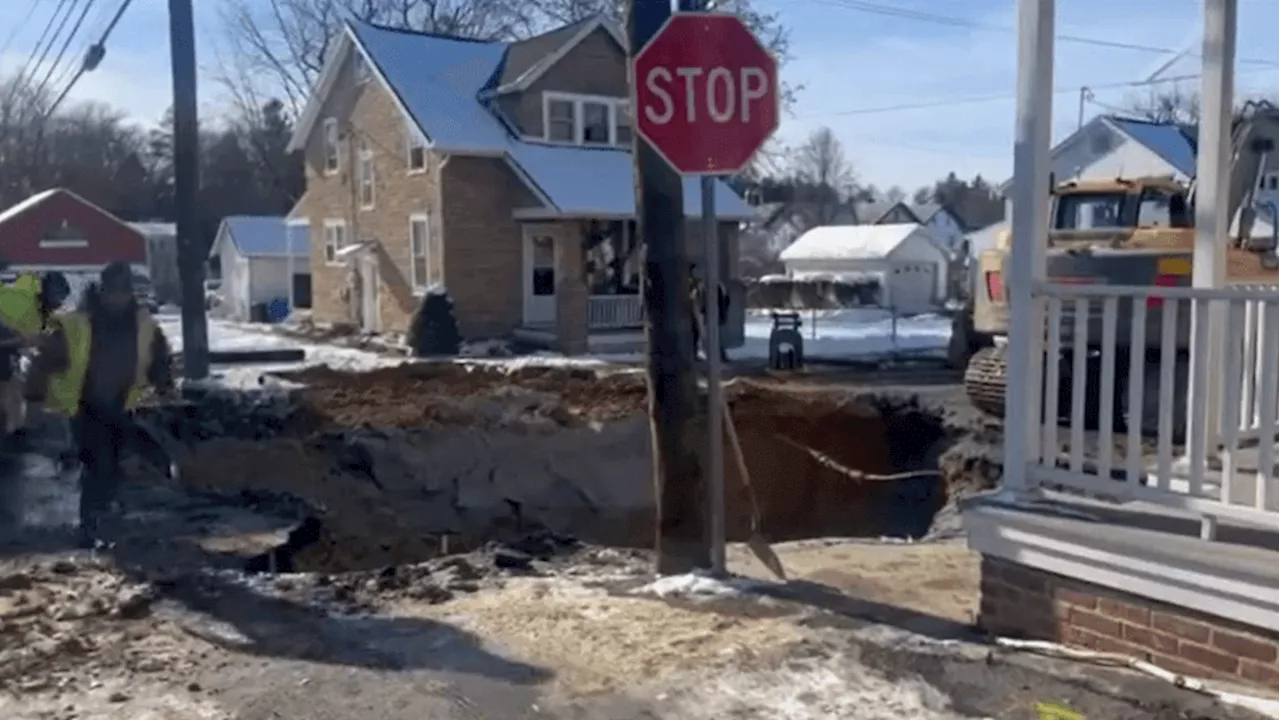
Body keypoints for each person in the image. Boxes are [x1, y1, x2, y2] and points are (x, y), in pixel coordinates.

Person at [27, 262, 173, 547]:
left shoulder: (144, 324)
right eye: (113, 293)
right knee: (98, 464)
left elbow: (159, 359)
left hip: (123, 404)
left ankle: (107, 519)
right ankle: (90, 526)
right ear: (102, 291)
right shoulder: (76, 323)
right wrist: (34, 396)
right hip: (86, 405)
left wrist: (165, 388)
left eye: (124, 293)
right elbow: (46, 359)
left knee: (117, 463)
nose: (118, 298)